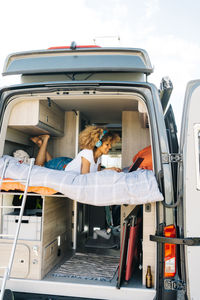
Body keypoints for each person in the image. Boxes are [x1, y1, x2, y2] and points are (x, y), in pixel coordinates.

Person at [31, 126, 121, 174]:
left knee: (50, 162)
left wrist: (110, 169)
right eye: (107, 144)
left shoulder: (99, 156)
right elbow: (85, 177)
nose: (110, 147)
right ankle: (45, 140)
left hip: (66, 164)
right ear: (98, 143)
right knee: (38, 167)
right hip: (62, 167)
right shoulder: (88, 153)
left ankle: (40, 144)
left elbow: (96, 173)